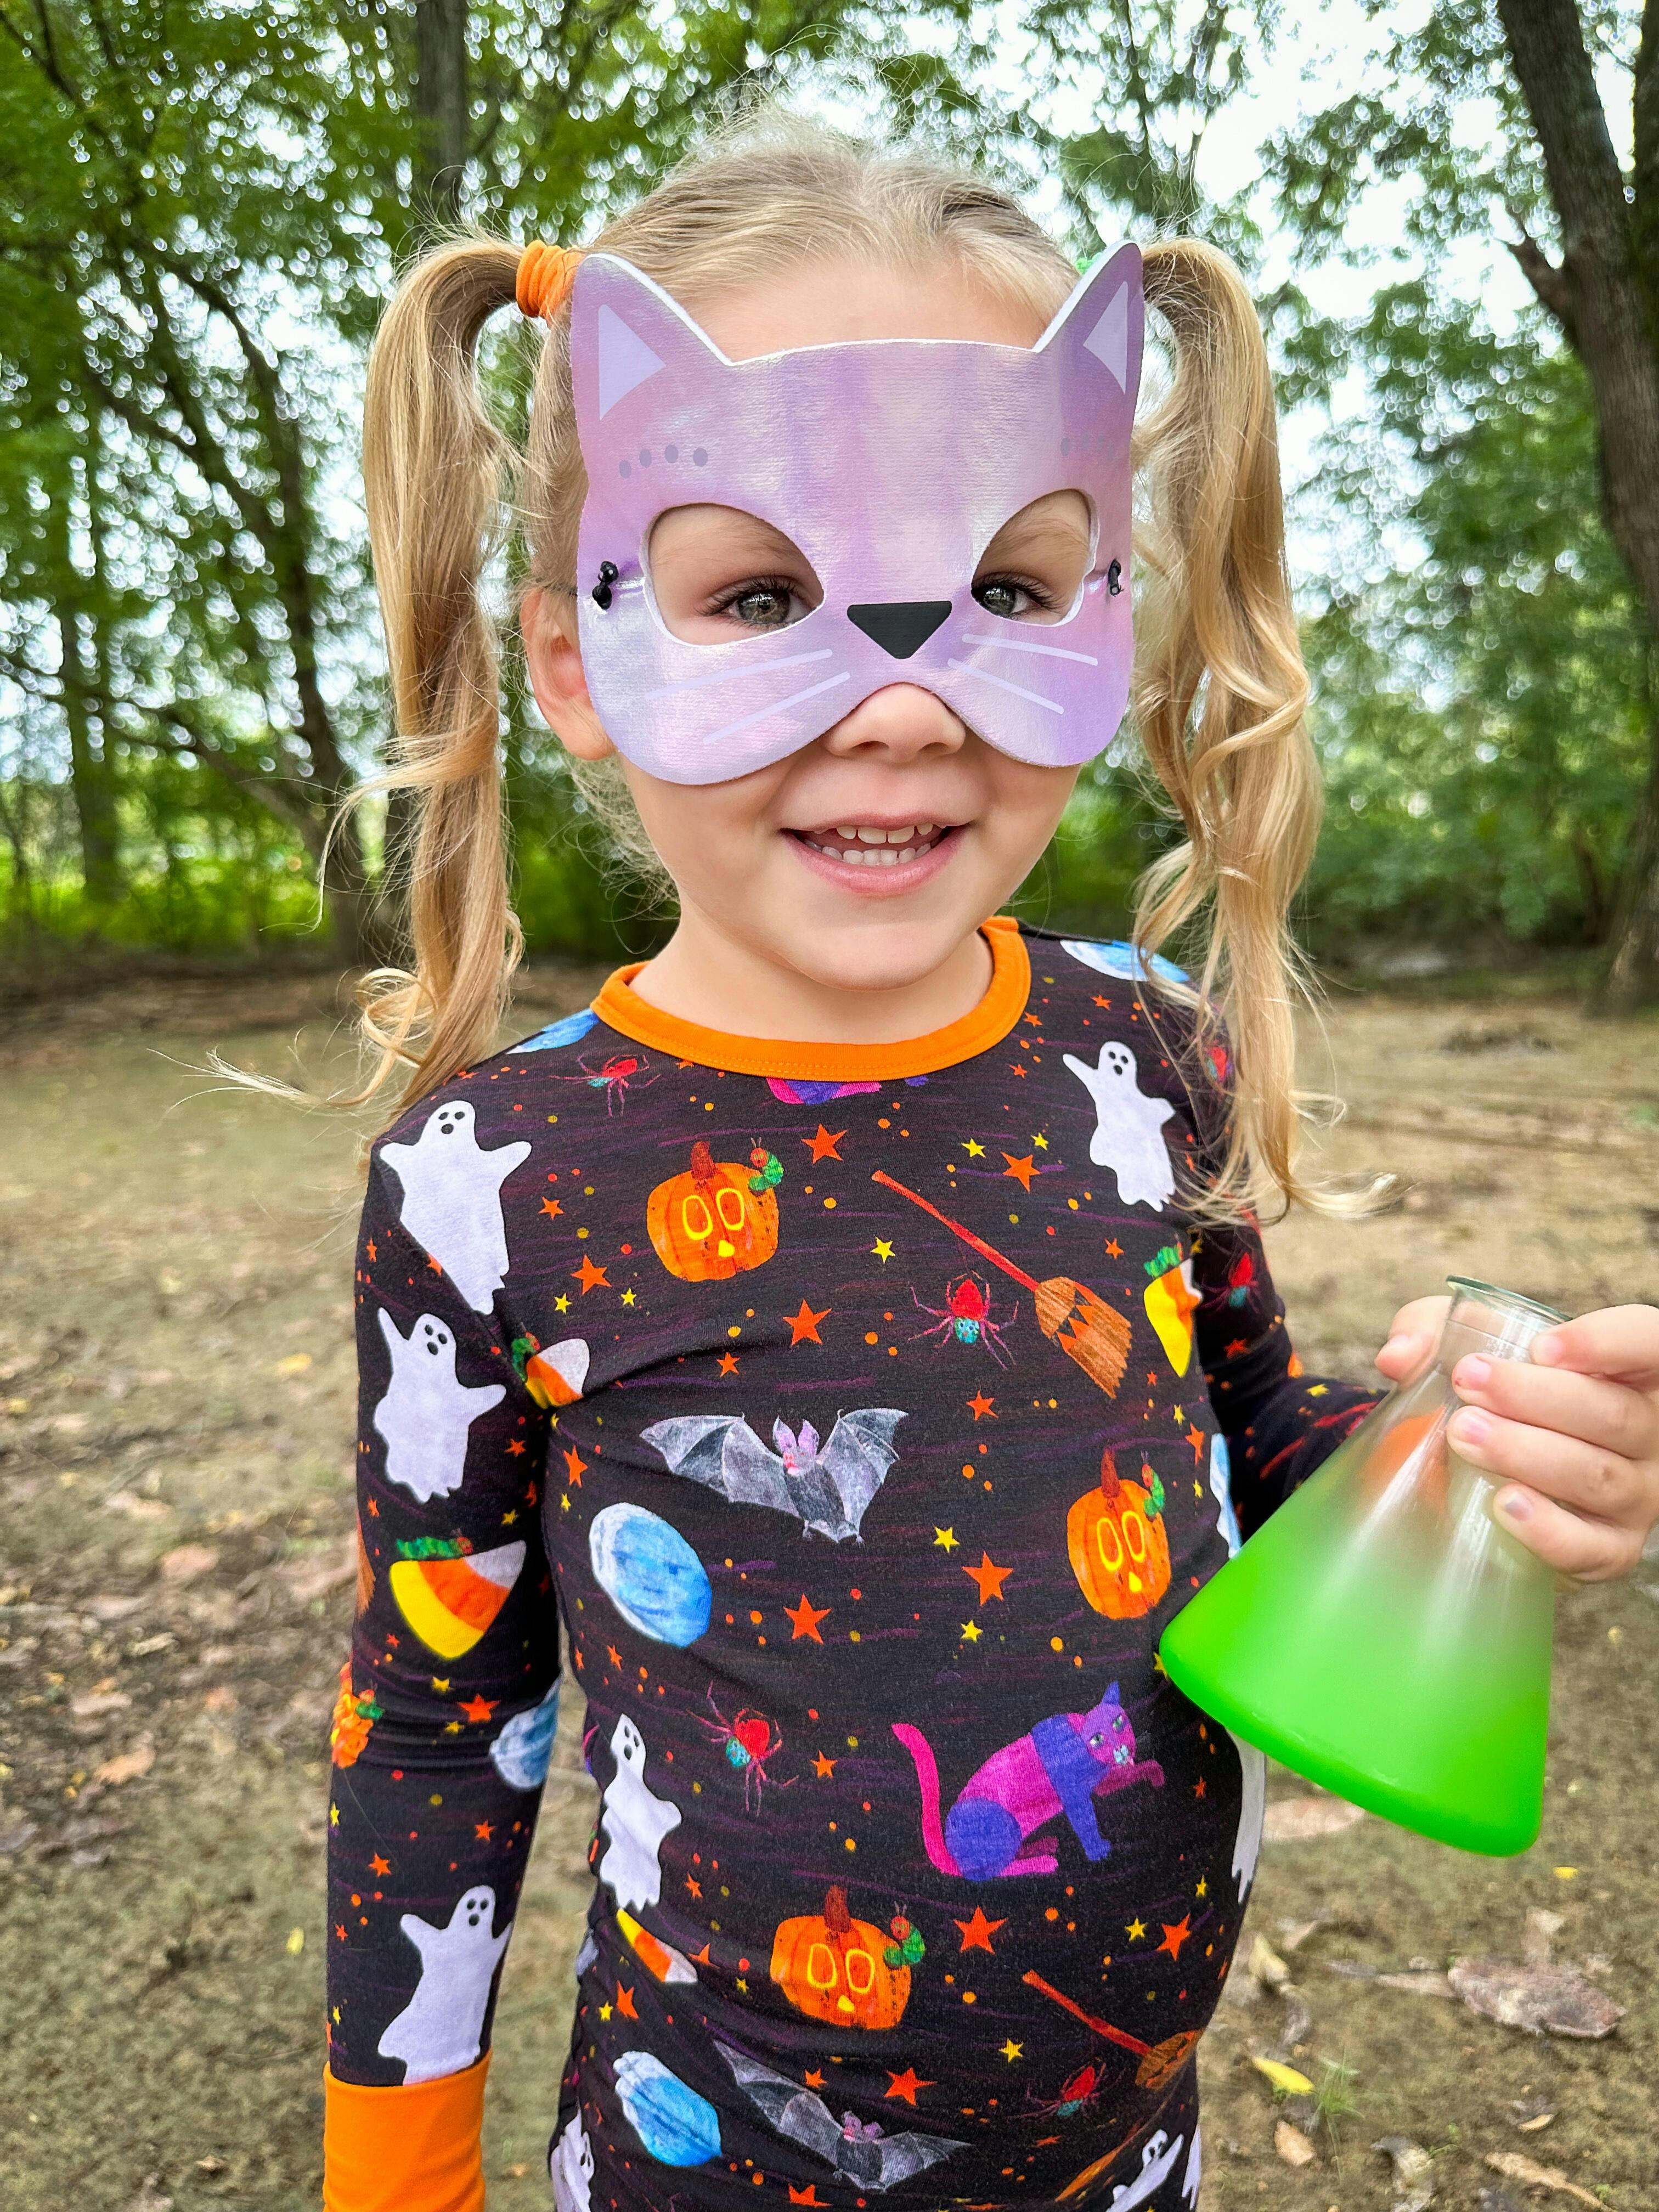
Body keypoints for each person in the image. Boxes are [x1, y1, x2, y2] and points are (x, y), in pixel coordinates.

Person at [319, 115, 1659, 2212]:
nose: (901, 708)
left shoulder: (1144, 1045)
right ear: (574, 657)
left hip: (1126, 2156)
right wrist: (395, 2176)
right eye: (764, 596)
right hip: (703, 2166)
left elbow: (1243, 1443)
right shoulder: (495, 1172)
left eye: (1008, 592)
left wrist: (1466, 1454)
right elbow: (435, 1714)